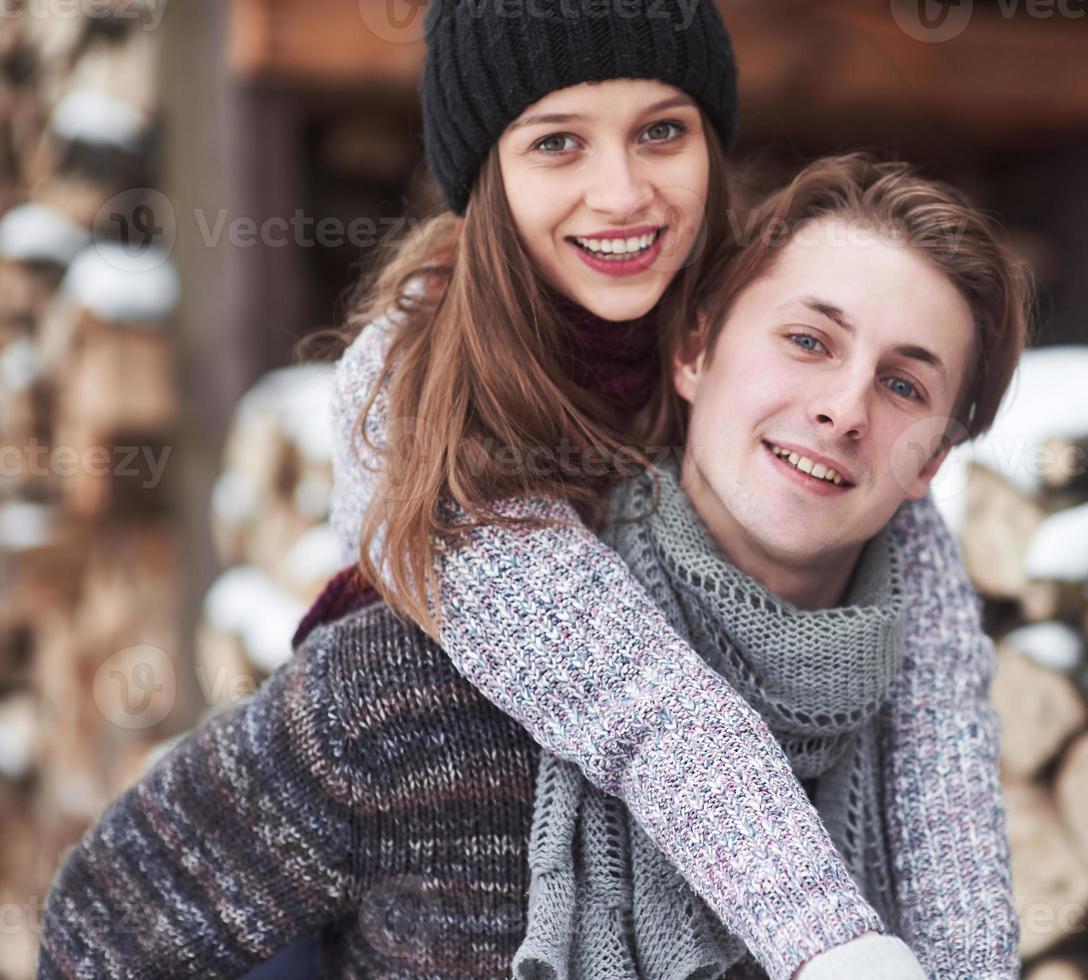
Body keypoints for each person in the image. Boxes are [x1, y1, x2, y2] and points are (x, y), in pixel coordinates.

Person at [37, 153, 1028, 980]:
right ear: (694, 351)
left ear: (931, 461)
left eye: (903, 382)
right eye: (807, 340)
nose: (846, 407)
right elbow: (101, 931)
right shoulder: (416, 681)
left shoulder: (925, 773)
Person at [321, 2, 1022, 975]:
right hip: (395, 859)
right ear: (486, 175)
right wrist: (830, 940)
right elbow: (644, 699)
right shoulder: (415, 392)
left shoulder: (766, 328)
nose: (621, 193)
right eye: (557, 142)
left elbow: (938, 723)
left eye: (662, 131)